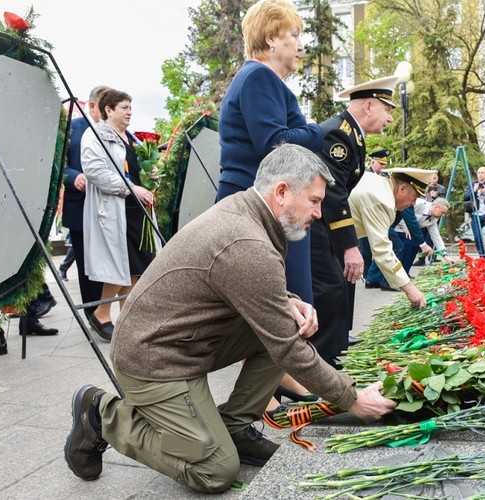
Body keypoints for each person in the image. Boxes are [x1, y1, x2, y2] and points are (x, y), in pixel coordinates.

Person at [63, 144, 396, 492]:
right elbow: (285, 347)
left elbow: (239, 282)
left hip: (184, 341)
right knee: (215, 471)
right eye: (314, 201)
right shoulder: (245, 240)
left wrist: (289, 302)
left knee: (289, 325)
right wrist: (353, 399)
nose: (318, 213)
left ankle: (234, 429)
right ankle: (102, 415)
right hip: (153, 358)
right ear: (281, 192)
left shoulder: (250, 213)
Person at [217, 0, 323, 305]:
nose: (300, 45)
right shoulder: (259, 77)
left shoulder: (258, 79)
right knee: (287, 312)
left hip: (262, 208)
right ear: (271, 39)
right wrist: (320, 130)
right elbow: (276, 143)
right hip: (264, 211)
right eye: (295, 34)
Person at [310, 75, 398, 367]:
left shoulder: (352, 135)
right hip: (312, 224)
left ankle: (336, 345)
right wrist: (350, 247)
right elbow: (334, 194)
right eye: (388, 110)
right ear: (370, 106)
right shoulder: (340, 135)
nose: (390, 118)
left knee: (341, 283)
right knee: (330, 287)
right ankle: (320, 362)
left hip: (323, 222)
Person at [81, 89, 155, 341]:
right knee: (121, 266)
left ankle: (127, 321)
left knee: (136, 268)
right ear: (108, 110)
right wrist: (132, 188)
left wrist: (153, 174)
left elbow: (136, 168)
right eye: (124, 107)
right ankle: (102, 314)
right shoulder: (95, 136)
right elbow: (94, 171)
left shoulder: (131, 138)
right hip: (115, 209)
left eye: (131, 108)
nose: (129, 112)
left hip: (135, 210)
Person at [349, 167, 437, 308]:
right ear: (402, 189)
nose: (413, 204)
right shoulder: (382, 200)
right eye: (414, 198)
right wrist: (409, 288)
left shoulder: (379, 183)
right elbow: (382, 250)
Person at [63, 86, 108, 316]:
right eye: (105, 105)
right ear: (91, 106)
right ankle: (93, 314)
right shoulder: (72, 128)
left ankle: (105, 313)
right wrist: (73, 177)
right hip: (79, 207)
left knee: (106, 263)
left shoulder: (113, 130)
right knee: (86, 265)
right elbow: (58, 167)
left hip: (107, 209)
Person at [396, 197, 451, 271]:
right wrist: (405, 226)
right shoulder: (419, 204)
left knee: (416, 246)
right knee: (407, 246)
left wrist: (445, 255)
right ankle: (398, 273)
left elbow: (436, 236)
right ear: (435, 207)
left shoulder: (434, 217)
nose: (442, 215)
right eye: (442, 212)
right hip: (399, 228)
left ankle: (406, 273)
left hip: (413, 231)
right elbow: (403, 210)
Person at [463, 166, 485, 262]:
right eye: (478, 173)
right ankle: (482, 256)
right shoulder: (472, 184)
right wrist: (474, 191)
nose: (480, 175)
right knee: (477, 236)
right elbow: (465, 197)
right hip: (475, 214)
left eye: (482, 173)